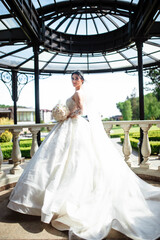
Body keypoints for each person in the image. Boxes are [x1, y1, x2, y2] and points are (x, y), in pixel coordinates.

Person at [8, 71, 160, 240]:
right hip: (67, 126)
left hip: (74, 124)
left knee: (74, 161)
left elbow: (81, 110)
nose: (74, 81)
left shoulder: (80, 93)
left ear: (81, 80)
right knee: (54, 159)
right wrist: (64, 115)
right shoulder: (77, 92)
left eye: (76, 78)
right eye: (72, 78)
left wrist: (67, 115)